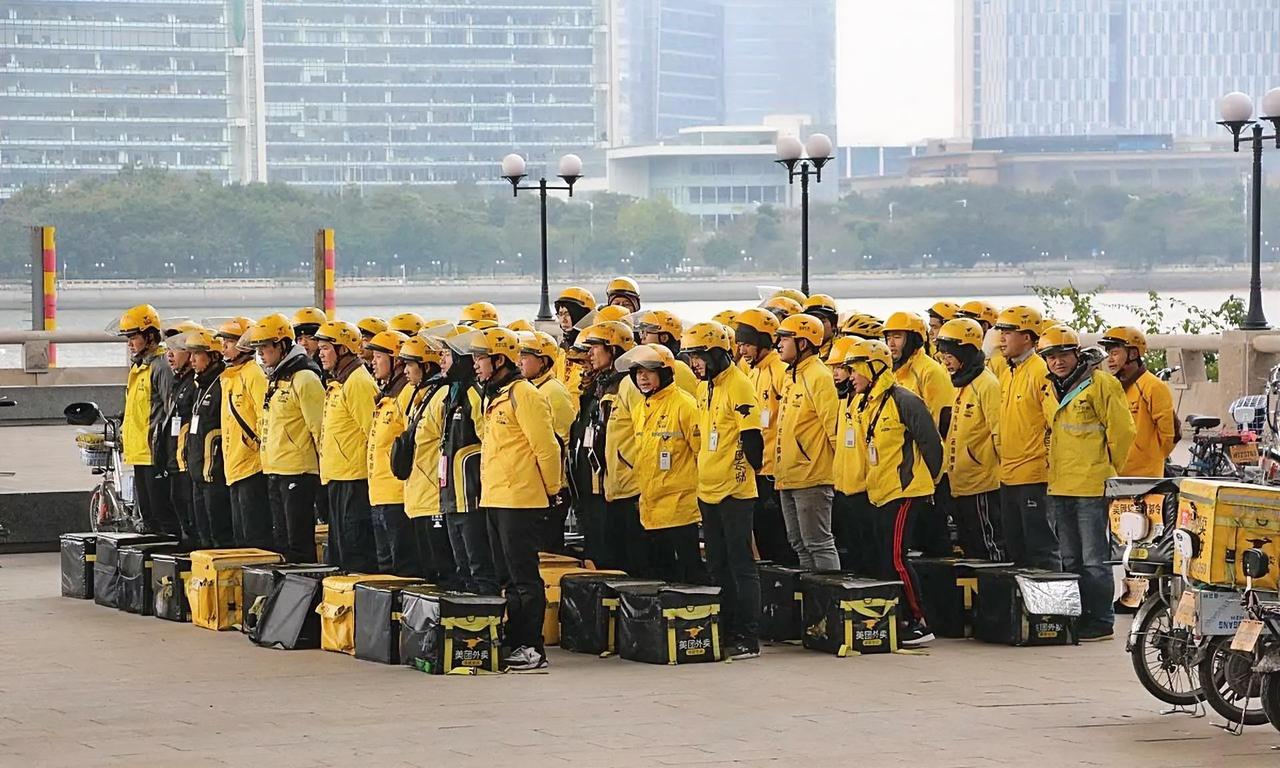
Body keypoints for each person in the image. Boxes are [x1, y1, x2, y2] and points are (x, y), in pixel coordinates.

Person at [470, 326, 561, 671]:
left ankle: (532, 646)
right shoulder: (494, 396)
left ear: (498, 359)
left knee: (524, 576)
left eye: (481, 358)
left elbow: (547, 447)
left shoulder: (524, 395)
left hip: (521, 499)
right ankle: (515, 638)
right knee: (505, 576)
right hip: (495, 497)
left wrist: (552, 490)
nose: (476, 364)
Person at [1040, 325, 1136, 642]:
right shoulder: (1049, 387)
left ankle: (1101, 620)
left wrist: (1108, 468)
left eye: (1063, 355)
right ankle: (1078, 617)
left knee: (1094, 559)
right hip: (1060, 485)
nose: (1057, 362)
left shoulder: (1101, 384)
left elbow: (1123, 432)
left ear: (1076, 354)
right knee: (1070, 558)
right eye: (1051, 357)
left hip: (1092, 485)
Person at [845, 338, 942, 647]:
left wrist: (929, 485)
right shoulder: (865, 403)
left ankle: (918, 619)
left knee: (897, 557)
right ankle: (895, 615)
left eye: (855, 370)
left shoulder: (904, 399)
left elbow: (931, 444)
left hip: (904, 491)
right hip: (879, 492)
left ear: (872, 369)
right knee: (882, 556)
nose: (851, 377)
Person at [684, 322, 764, 660]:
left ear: (717, 352)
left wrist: (741, 473)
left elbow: (753, 441)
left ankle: (748, 634)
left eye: (699, 356)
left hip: (734, 491)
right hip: (708, 489)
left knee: (740, 564)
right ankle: (727, 626)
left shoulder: (739, 385)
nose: (695, 364)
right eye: (690, 358)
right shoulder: (705, 388)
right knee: (716, 564)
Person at [616, 343, 703, 583]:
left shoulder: (685, 405)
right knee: (659, 575)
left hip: (680, 509)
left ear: (664, 373)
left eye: (648, 371)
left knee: (688, 575)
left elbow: (701, 454)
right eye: (637, 372)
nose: (642, 377)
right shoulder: (640, 409)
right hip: (650, 508)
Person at [247, 313, 324, 564]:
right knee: (281, 541)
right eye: (257, 349)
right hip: (275, 468)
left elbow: (319, 427)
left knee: (298, 541)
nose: (261, 354)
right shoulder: (277, 378)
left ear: (281, 345)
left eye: (265, 348)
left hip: (298, 471)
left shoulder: (304, 377)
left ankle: (305, 594)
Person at [569, 320, 643, 572]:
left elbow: (641, 431)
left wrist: (629, 468)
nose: (589, 354)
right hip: (597, 487)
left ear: (614, 349)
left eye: (596, 347)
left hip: (621, 487)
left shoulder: (627, 385)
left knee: (625, 558)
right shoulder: (600, 386)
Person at [993, 305, 1059, 570]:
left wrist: (1045, 461)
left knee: (1041, 549)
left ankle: (1052, 610)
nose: (1002, 338)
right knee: (1016, 550)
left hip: (1034, 477)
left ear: (1028, 337)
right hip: (1008, 476)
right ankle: (1022, 609)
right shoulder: (1009, 371)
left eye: (1009, 332)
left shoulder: (1040, 371)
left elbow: (1055, 422)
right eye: (1001, 331)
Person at [884, 311, 954, 557]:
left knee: (935, 541)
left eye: (897, 337)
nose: (891, 344)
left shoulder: (930, 371)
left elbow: (940, 425)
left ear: (913, 338)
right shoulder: (892, 373)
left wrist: (936, 473)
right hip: (904, 472)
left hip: (930, 474)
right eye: (888, 338)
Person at [774, 313, 841, 570]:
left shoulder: (819, 376)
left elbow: (834, 428)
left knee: (818, 543)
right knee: (799, 543)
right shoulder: (792, 376)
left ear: (802, 343)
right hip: (788, 477)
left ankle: (829, 600)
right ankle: (811, 601)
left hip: (813, 477)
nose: (779, 344)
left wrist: (841, 475)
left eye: (785, 339)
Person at [935, 319, 1005, 560]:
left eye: (949, 354)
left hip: (982, 484)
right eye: (942, 354)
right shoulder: (957, 384)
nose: (945, 360)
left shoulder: (987, 384)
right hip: (959, 483)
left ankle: (997, 595)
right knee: (968, 547)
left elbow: (999, 434)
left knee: (987, 545)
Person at [314, 320, 379, 572]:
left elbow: (371, 432)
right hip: (338, 478)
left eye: (326, 348)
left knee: (355, 551)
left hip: (355, 480)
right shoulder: (339, 382)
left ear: (342, 350)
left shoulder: (358, 382)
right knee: (339, 553)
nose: (320, 353)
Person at [733, 307, 794, 565]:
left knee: (781, 541)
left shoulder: (780, 370)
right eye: (740, 345)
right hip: (757, 469)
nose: (742, 351)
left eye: (747, 345)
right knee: (764, 539)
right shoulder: (752, 372)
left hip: (775, 472)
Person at [440, 327, 498, 595]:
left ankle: (488, 623)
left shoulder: (474, 395)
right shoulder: (451, 395)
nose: (441, 361)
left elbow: (489, 441)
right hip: (452, 496)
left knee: (479, 566)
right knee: (461, 566)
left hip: (471, 496)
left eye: (447, 356)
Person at [117, 304, 179, 537]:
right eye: (128, 338)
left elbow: (171, 408)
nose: (130, 343)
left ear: (150, 336)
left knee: (162, 513)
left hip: (155, 453)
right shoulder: (139, 367)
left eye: (134, 337)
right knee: (148, 515)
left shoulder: (161, 366)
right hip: (139, 452)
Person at [365, 330, 423, 576]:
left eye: (379, 356)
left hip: (397, 496)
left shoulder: (407, 394)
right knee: (385, 567)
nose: (372, 362)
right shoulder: (386, 396)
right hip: (378, 493)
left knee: (403, 567)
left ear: (396, 360)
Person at [400, 333, 455, 583]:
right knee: (425, 572)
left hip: (433, 499)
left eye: (410, 365)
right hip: (417, 497)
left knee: (441, 570)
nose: (405, 371)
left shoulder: (440, 397)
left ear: (425, 365)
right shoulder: (420, 397)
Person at [216, 317, 272, 549]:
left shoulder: (253, 374)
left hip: (251, 466)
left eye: (229, 342)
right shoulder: (229, 377)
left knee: (254, 536)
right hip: (235, 465)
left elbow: (264, 417)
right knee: (240, 536)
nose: (224, 348)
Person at [518, 330, 576, 551]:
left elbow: (560, 440)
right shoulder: (531, 390)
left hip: (552, 485)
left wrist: (555, 485)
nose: (519, 361)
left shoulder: (552, 391)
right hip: (535, 484)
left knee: (548, 546)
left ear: (542, 361)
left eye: (526, 356)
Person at [178, 328, 233, 548]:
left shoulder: (221, 384)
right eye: (190, 354)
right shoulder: (200, 385)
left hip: (214, 473)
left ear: (213, 356)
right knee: (202, 533)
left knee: (219, 533)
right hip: (197, 471)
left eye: (197, 354)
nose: (191, 360)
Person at [1100, 326, 1176, 478]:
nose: (1110, 359)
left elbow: (1171, 434)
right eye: (1108, 353)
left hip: (1145, 477)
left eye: (1115, 353)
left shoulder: (1153, 386)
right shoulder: (1111, 387)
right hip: (1114, 474)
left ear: (1133, 353)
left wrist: (1150, 457)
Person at [828, 336, 876, 575]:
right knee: (853, 553)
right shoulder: (844, 398)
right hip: (843, 487)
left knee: (870, 554)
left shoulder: (867, 400)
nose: (836, 374)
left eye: (842, 368)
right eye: (834, 368)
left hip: (865, 490)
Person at [162, 321, 200, 547]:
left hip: (189, 463)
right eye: (167, 349)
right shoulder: (178, 382)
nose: (169, 355)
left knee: (192, 520)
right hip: (174, 460)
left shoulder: (195, 384)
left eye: (175, 349)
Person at [292, 307, 331, 527]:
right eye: (300, 338)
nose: (304, 343)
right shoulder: (302, 370)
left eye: (310, 337)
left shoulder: (324, 372)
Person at [635, 309, 699, 394]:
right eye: (641, 332)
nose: (642, 337)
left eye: (646, 332)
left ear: (664, 338)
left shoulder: (678, 368)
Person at [554, 287, 597, 398]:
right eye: (560, 314)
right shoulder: (563, 348)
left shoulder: (593, 348)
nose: (563, 319)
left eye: (568, 314)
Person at [957, 300, 1007, 378]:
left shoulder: (997, 360)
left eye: (969, 324)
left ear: (984, 326)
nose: (963, 329)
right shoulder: (972, 355)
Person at [802, 294, 840, 359]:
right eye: (811, 322)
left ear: (833, 325)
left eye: (821, 322)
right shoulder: (798, 348)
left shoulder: (841, 350)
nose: (815, 326)